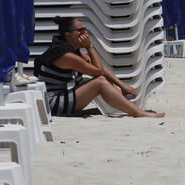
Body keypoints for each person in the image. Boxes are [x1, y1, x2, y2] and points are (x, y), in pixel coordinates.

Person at [33, 16, 164, 118]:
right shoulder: (66, 55)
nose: (85, 34)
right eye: (80, 31)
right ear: (68, 35)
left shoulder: (73, 49)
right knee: (100, 83)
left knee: (102, 80)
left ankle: (134, 110)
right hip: (53, 104)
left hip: (61, 97)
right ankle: (138, 113)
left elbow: (99, 69)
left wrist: (123, 86)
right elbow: (98, 71)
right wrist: (89, 47)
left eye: (85, 30)